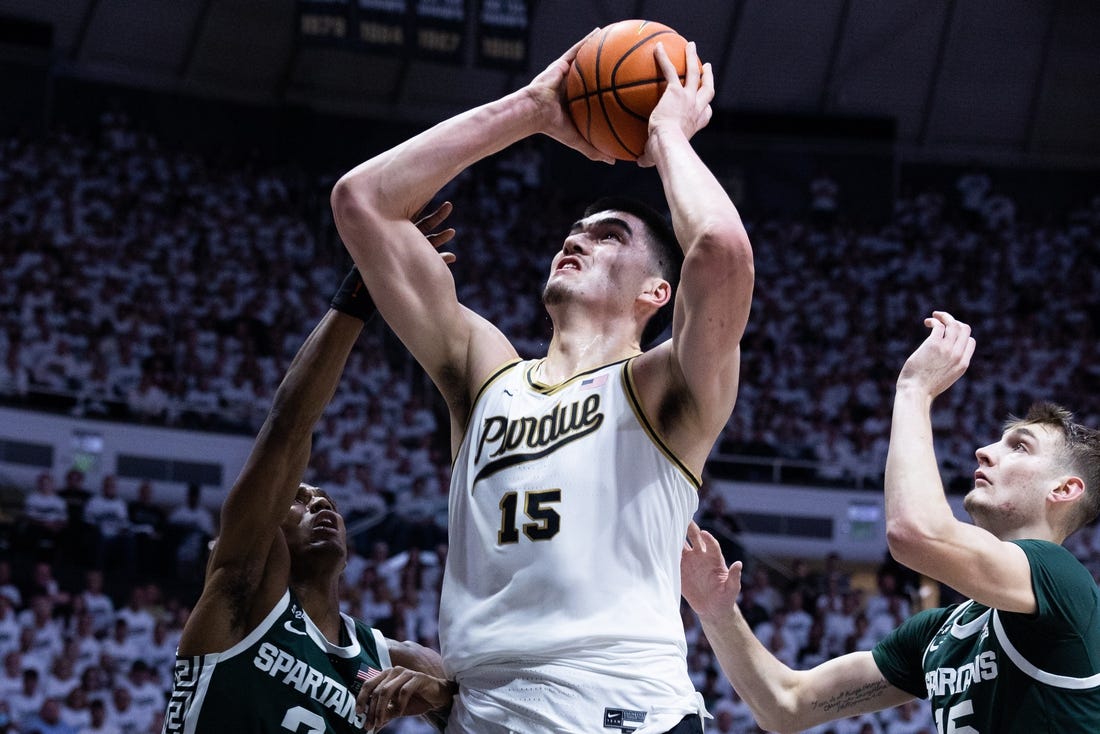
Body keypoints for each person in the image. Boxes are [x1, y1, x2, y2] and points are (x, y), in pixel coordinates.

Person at [331, 30, 753, 734]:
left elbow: (721, 251)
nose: (577, 237)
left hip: (627, 713)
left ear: (657, 292)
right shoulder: (485, 373)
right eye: (576, 229)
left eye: (609, 233)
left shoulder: (664, 388)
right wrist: (533, 106)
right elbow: (361, 202)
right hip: (486, 714)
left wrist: (668, 136)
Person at [681, 311, 1100, 733]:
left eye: (1020, 448)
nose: (985, 450)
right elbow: (786, 706)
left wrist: (915, 389)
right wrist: (716, 612)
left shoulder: (1061, 580)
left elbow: (914, 533)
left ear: (1064, 490)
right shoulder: (941, 632)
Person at [162, 210, 458, 734]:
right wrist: (360, 294)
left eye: (327, 502)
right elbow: (286, 429)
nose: (320, 504)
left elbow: (485, 707)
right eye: (298, 500)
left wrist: (440, 694)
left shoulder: (388, 657)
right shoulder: (242, 598)